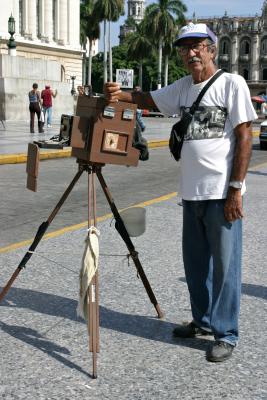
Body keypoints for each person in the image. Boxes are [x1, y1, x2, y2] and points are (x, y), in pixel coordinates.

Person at [104, 22, 258, 363]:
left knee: (225, 268)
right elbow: (148, 98)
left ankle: (226, 334)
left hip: (221, 194)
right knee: (196, 265)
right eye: (185, 48)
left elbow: (245, 137)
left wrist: (236, 189)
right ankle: (202, 321)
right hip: (191, 195)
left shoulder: (231, 84)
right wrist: (119, 94)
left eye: (197, 46)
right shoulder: (184, 87)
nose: (190, 53)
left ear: (212, 49)